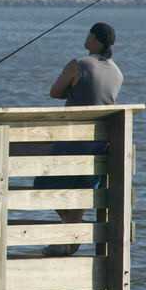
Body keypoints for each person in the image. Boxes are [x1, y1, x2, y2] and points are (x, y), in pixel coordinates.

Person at [40, 21, 123, 256]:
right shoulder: (117, 73)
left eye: (89, 34)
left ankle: (71, 234)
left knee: (44, 186)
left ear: (95, 40)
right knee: (83, 191)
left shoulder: (79, 65)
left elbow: (55, 92)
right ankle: (70, 240)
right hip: (99, 143)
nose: (85, 37)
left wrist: (72, 91)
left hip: (73, 138)